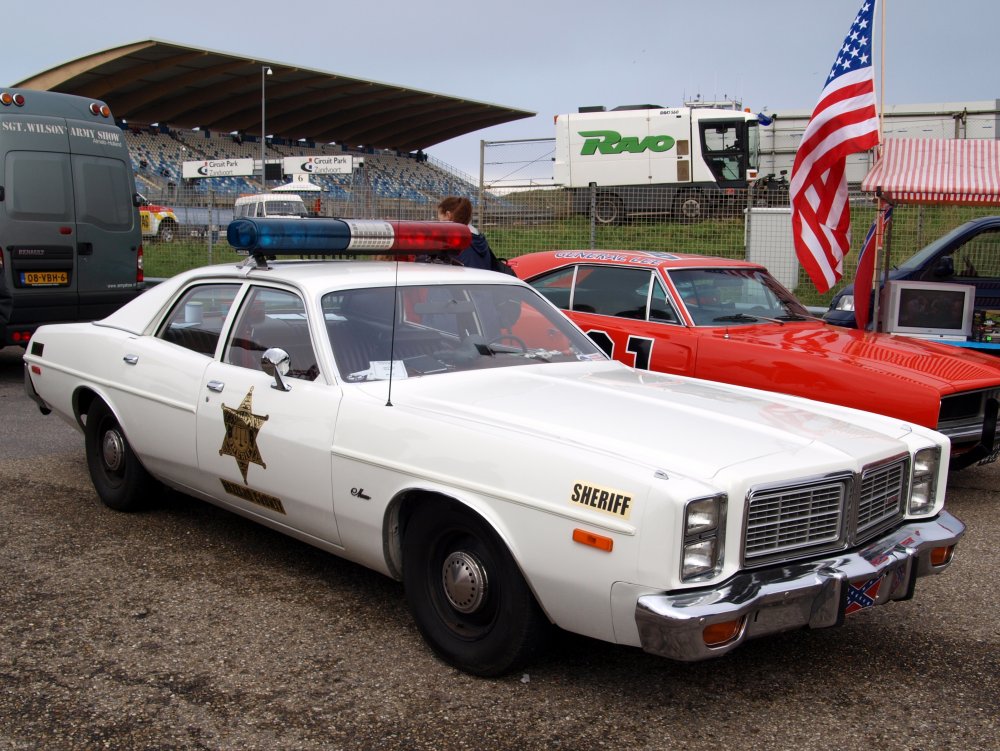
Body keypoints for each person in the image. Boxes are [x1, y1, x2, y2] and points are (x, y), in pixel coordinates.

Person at [436, 196, 492, 270]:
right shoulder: (479, 238)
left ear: (448, 215)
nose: (438, 222)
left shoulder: (453, 242)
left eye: (439, 219)